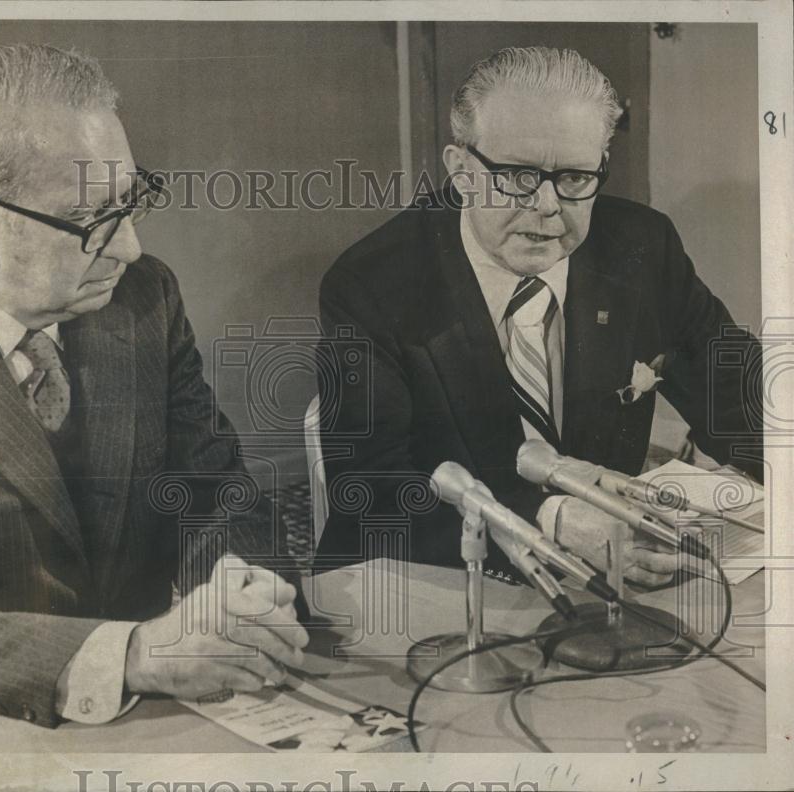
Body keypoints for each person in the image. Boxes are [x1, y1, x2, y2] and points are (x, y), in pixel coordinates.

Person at [0, 43, 307, 728]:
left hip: (136, 723)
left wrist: (240, 591)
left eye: (131, 200)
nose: (130, 247)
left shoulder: (143, 298)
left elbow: (215, 491)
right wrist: (131, 653)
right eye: (89, 220)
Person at [315, 46, 762, 587]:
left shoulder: (642, 247)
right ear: (461, 171)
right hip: (435, 581)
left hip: (613, 586)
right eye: (517, 175)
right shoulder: (373, 283)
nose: (548, 205)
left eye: (575, 177)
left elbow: (744, 401)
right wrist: (550, 521)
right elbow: (370, 491)